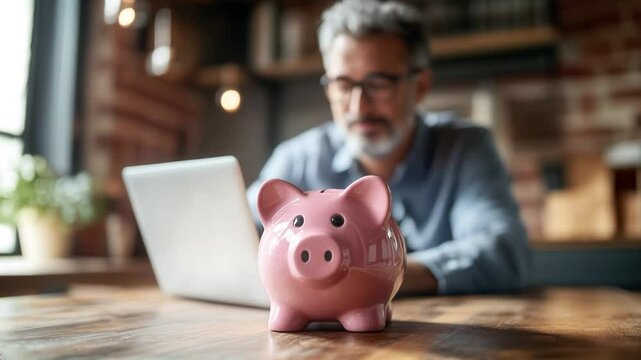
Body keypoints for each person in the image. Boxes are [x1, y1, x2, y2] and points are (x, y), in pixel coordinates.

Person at [246, 0, 530, 295]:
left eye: (379, 83)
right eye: (343, 84)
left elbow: (503, 251)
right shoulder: (298, 158)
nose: (359, 106)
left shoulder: (465, 148)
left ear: (420, 85)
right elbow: (235, 232)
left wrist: (373, 278)